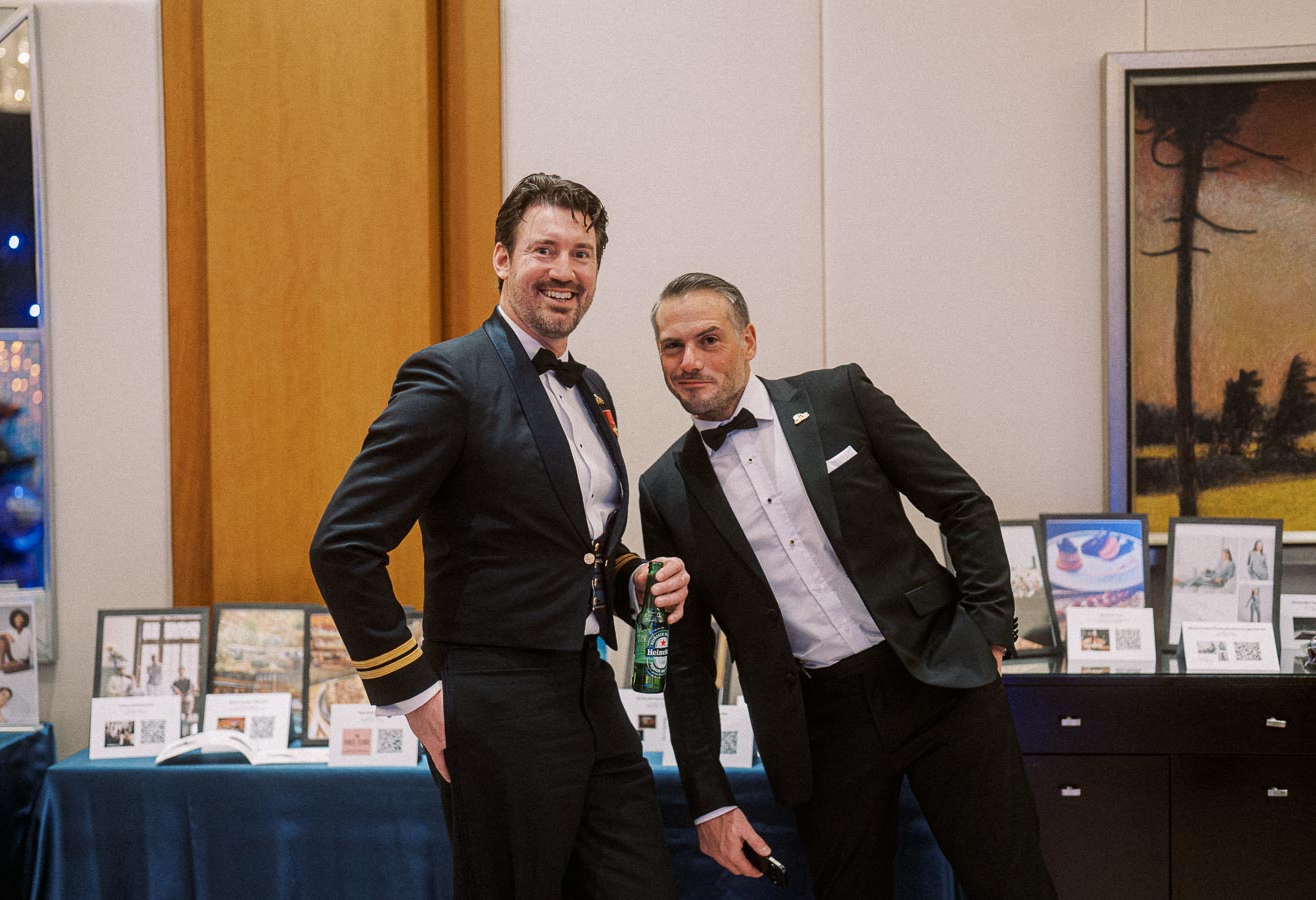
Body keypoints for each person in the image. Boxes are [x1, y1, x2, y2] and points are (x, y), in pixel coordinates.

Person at [311, 173, 689, 898]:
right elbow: (343, 543)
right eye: (544, 248)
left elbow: (574, 544)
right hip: (492, 696)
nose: (564, 270)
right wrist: (413, 690)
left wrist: (629, 579)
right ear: (502, 259)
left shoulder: (594, 388)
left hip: (588, 686)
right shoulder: (450, 377)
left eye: (582, 254)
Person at [639, 273, 1056, 899]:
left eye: (709, 340)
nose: (690, 361)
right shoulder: (663, 489)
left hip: (936, 679)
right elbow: (687, 660)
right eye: (673, 347)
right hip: (818, 724)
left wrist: (990, 633)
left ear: (748, 340)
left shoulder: (838, 398)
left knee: (1011, 884)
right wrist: (708, 802)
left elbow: (964, 503)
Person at [0, 608, 33, 673]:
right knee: (2, 639)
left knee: (7, 668)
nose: (18, 619)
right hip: (13, 658)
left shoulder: (27, 632)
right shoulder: (10, 631)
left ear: (24, 620)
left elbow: (32, 647)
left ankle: (10, 666)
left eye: (20, 618)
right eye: (16, 618)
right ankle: (2, 664)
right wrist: (7, 634)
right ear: (13, 620)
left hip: (23, 661)